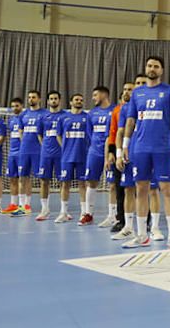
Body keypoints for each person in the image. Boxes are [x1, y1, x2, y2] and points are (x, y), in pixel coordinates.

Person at [122, 56, 170, 250]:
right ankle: (142, 235)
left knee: (167, 190)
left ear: (161, 70)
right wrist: (125, 145)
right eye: (149, 65)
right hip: (140, 148)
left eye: (156, 66)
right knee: (140, 190)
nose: (152, 68)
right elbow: (130, 121)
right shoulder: (137, 93)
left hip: (162, 148)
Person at [27, 91, 66, 220]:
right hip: (46, 154)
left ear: (59, 100)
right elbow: (39, 134)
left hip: (61, 154)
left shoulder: (65, 116)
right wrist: (44, 146)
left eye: (55, 98)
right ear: (48, 101)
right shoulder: (43, 117)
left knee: (63, 182)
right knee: (44, 181)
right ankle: (45, 209)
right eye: (51, 99)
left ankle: (63, 211)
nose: (53, 101)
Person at [82, 86, 115, 227]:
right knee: (91, 181)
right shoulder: (91, 113)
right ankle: (88, 214)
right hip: (94, 152)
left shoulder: (115, 110)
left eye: (95, 95)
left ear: (104, 95)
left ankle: (112, 216)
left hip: (111, 152)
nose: (93, 98)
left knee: (112, 184)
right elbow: (89, 133)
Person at [54, 94, 89, 223]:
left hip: (82, 156)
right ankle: (63, 212)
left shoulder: (87, 117)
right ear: (70, 102)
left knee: (82, 184)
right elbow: (58, 135)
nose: (79, 101)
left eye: (81, 100)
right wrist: (64, 147)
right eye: (76, 100)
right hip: (67, 156)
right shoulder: (63, 118)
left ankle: (84, 212)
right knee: (65, 183)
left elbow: (90, 135)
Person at [106, 82, 134, 234]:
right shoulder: (117, 110)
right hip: (120, 153)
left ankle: (147, 221)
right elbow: (114, 132)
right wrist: (112, 152)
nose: (126, 92)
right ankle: (121, 220)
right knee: (120, 188)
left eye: (130, 89)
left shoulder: (140, 107)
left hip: (137, 151)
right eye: (124, 89)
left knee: (142, 189)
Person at [14, 90, 47, 215]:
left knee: (42, 179)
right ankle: (24, 206)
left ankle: (44, 207)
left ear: (39, 99)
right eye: (29, 97)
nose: (31, 99)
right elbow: (20, 131)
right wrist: (24, 144)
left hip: (39, 151)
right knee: (22, 178)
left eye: (33, 97)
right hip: (24, 151)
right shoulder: (23, 114)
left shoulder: (45, 114)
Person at [2, 97, 24, 214]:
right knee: (12, 179)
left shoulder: (25, 118)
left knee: (23, 179)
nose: (15, 108)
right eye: (13, 106)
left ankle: (22, 204)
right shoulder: (11, 120)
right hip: (12, 153)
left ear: (21, 106)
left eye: (17, 106)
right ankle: (13, 204)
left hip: (22, 153)